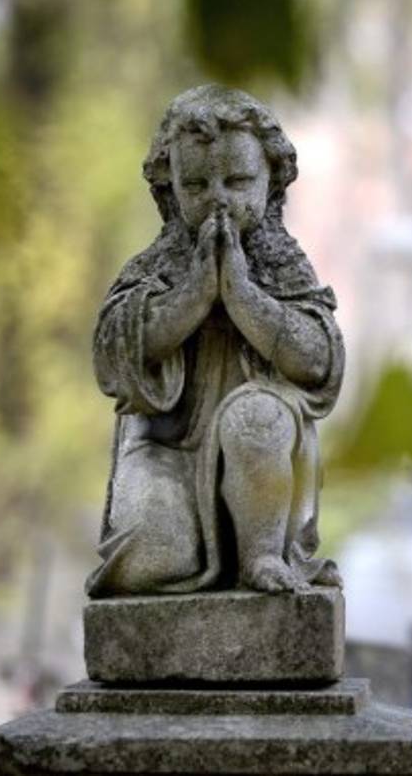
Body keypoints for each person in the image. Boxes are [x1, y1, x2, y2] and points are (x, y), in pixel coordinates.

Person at [86, 85, 345, 597]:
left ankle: (261, 555)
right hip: (167, 452)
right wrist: (195, 295)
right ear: (170, 189)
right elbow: (112, 358)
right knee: (154, 556)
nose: (218, 198)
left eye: (238, 181)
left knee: (257, 416)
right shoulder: (155, 266)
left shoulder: (283, 266)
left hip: (257, 448)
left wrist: (243, 296)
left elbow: (318, 359)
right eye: (197, 185)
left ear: (271, 184)